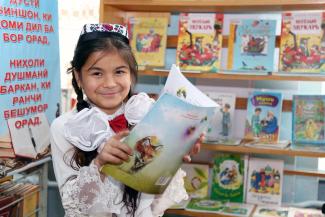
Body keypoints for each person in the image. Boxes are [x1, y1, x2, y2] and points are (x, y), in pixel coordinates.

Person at [50, 23, 202, 217]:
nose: (110, 83)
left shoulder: (147, 112)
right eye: (97, 73)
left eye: (119, 72)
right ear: (79, 77)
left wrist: (177, 152)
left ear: (131, 73)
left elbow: (155, 198)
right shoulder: (66, 127)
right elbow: (74, 206)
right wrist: (100, 164)